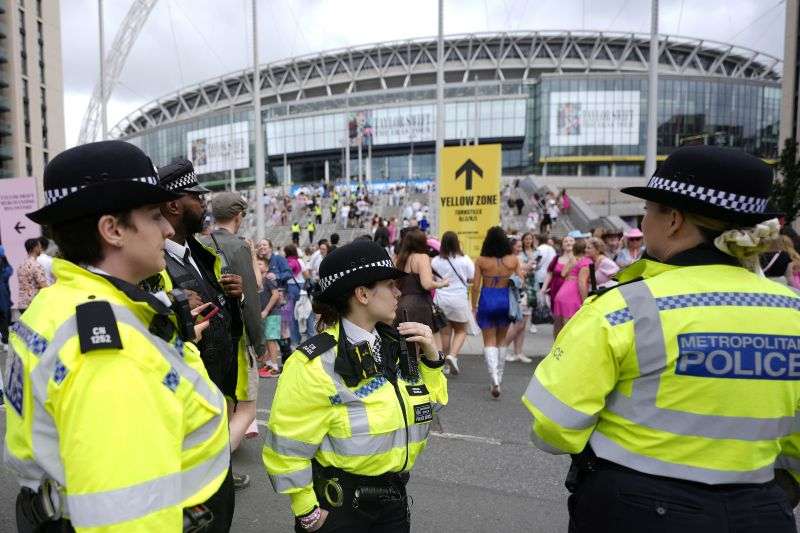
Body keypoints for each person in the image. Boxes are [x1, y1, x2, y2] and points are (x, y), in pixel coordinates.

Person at [523, 145, 800, 532]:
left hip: (638, 508)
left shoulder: (624, 306)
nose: (644, 221)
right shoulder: (793, 312)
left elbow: (552, 425)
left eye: (648, 211)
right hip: (761, 509)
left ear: (673, 220)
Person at [5, 140, 229, 531]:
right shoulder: (111, 351)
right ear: (112, 229)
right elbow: (128, 514)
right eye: (155, 215)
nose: (166, 228)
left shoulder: (56, 303)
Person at [262, 239, 447, 532]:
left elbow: (429, 410)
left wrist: (432, 359)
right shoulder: (314, 361)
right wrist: (307, 512)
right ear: (362, 294)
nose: (399, 292)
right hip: (340, 509)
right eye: (390, 285)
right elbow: (287, 445)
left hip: (394, 503)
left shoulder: (397, 344)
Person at [204, 192, 268, 491]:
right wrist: (259, 342)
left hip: (208, 333)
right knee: (247, 408)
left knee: (224, 406)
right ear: (239, 215)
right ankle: (209, 468)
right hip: (237, 336)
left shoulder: (198, 242)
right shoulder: (239, 246)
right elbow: (251, 293)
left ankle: (220, 474)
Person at [472, 226, 520, 398]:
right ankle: (499, 377)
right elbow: (520, 280)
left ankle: (493, 377)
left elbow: (476, 286)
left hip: (487, 298)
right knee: (501, 340)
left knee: (488, 340)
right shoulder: (513, 260)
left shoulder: (481, 261)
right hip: (505, 299)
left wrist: (473, 305)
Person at [395, 229, 448, 346]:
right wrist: (442, 284)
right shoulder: (422, 257)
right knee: (433, 346)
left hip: (401, 304)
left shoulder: (400, 259)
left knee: (410, 349)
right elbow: (427, 284)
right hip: (420, 305)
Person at [432, 231, 475, 375]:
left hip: (441, 299)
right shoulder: (465, 260)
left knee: (445, 334)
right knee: (461, 330)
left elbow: (433, 278)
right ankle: (453, 355)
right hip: (459, 299)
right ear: (457, 243)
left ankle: (445, 365)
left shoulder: (436, 261)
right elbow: (471, 278)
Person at [504, 233, 537, 362]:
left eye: (520, 246)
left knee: (523, 324)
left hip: (528, 291)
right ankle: (503, 348)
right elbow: (518, 272)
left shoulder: (523, 256)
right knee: (518, 323)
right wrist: (528, 267)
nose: (519, 248)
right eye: (517, 246)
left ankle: (519, 352)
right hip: (517, 293)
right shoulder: (510, 258)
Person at [552, 239, 592, 338]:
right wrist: (585, 302)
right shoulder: (587, 262)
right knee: (570, 330)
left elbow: (562, 274)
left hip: (562, 292)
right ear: (585, 250)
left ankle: (557, 350)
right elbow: (582, 283)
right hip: (573, 295)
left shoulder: (572, 259)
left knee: (559, 328)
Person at [541, 235, 574, 337]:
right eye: (565, 241)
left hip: (571, 294)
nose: (568, 243)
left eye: (570, 241)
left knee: (569, 323)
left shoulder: (578, 259)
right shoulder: (557, 258)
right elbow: (550, 273)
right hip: (556, 293)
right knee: (557, 323)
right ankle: (556, 348)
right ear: (562, 245)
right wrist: (544, 288)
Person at [257, 257, 283, 378]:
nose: (257, 266)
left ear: (267, 268)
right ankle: (268, 363)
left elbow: (276, 294)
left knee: (271, 340)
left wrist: (267, 310)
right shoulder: (258, 280)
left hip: (273, 313)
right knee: (268, 339)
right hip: (265, 314)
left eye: (260, 264)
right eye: (256, 264)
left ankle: (274, 366)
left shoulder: (268, 279)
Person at [16, 237, 49, 313]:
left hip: (22, 304)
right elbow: (43, 285)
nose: (41, 249)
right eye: (39, 247)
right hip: (33, 304)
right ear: (35, 248)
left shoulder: (21, 265)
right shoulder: (36, 265)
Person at [0, 245, 12, 345]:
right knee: (4, 315)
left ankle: (4, 338)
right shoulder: (4, 264)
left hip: (3, 292)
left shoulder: (4, 265)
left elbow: (8, 272)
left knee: (3, 315)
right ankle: (5, 339)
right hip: (3, 292)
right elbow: (8, 272)